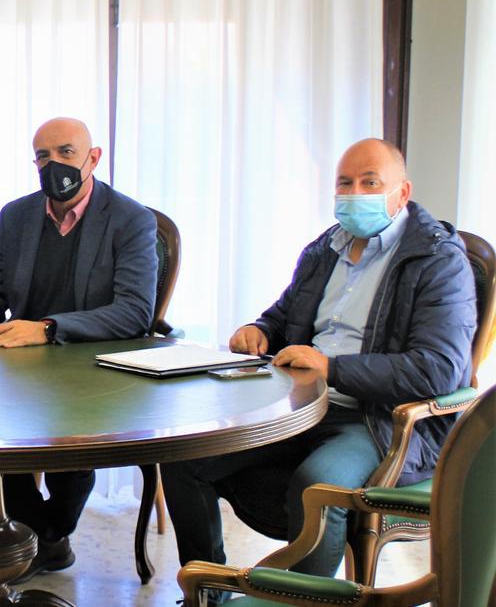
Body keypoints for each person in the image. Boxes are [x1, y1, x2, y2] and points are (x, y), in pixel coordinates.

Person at [161, 138, 476, 598]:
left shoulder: (439, 260)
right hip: (297, 403)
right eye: (345, 183)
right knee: (184, 456)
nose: (354, 193)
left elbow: (438, 370)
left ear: (402, 192)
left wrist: (331, 367)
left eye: (371, 182)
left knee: (317, 485)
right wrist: (259, 330)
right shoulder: (325, 248)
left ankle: (302, 601)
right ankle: (208, 593)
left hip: (377, 420)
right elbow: (284, 315)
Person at [0, 116, 158, 582]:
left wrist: (48, 328)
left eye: (66, 152)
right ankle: (35, 538)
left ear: (93, 158)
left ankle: (44, 534)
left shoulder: (131, 219)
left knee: (70, 436)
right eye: (42, 156)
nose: (53, 164)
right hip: (19, 366)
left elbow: (135, 313)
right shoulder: (17, 215)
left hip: (94, 368)